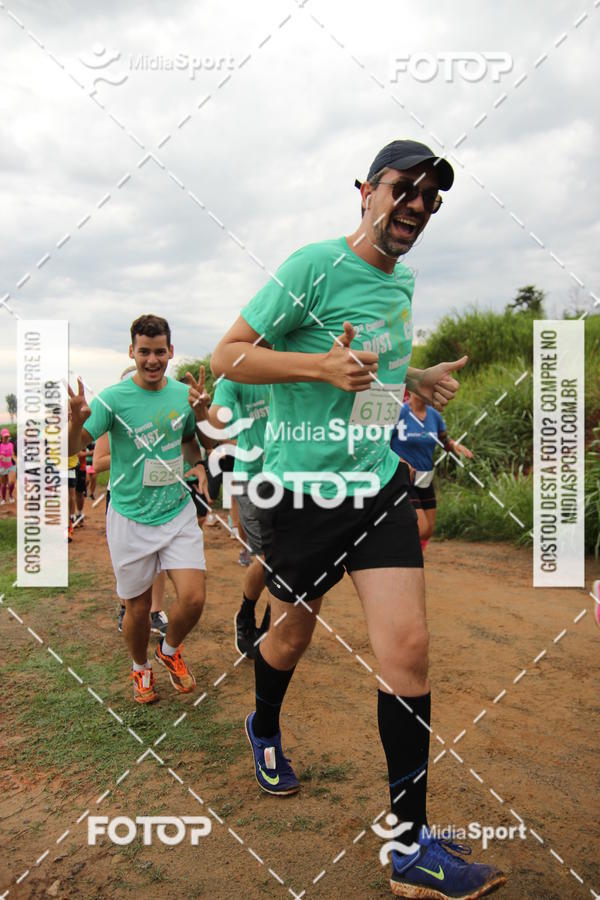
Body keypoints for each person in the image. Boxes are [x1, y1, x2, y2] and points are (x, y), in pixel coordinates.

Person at [211, 140, 506, 898]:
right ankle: (265, 727)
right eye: (404, 189)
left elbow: (369, 371)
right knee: (293, 634)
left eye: (431, 198)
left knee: (408, 648)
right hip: (301, 495)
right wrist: (315, 366)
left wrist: (413, 375)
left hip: (376, 489)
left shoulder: (402, 280)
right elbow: (228, 356)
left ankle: (410, 847)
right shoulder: (311, 265)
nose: (416, 206)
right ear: (367, 191)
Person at [68, 314, 212, 704]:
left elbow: (192, 442)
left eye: (159, 351)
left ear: (171, 352)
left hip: (176, 510)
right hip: (130, 516)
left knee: (194, 598)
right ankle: (139, 667)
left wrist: (198, 452)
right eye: (144, 351)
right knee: (138, 607)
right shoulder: (113, 398)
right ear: (131, 352)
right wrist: (75, 422)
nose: (152, 359)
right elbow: (72, 447)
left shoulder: (183, 395)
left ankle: (168, 651)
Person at [190, 375, 271, 657]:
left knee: (292, 560)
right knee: (268, 557)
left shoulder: (297, 360)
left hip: (294, 476)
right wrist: (201, 411)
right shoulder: (237, 375)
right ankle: (246, 612)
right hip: (252, 477)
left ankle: (274, 623)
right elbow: (213, 434)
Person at [92, 428, 171, 639]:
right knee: (127, 559)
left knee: (159, 551)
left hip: (155, 493)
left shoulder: (156, 415)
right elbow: (97, 463)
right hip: (122, 497)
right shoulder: (113, 411)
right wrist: (133, 455)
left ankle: (155, 612)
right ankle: (125, 609)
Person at [391, 391, 473, 551]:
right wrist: (400, 461)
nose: (427, 392)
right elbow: (381, 442)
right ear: (413, 390)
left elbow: (443, 440)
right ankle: (398, 557)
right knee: (420, 527)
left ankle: (410, 558)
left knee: (428, 531)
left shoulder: (434, 416)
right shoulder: (400, 413)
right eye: (424, 387)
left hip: (425, 478)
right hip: (403, 478)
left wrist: (454, 445)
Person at [0, 428, 16, 505]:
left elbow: (13, 453)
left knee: (12, 482)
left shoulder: (12, 444)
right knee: (3, 483)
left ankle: (10, 495)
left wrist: (15, 459)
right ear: (2, 437)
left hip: (11, 465)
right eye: (5, 436)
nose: (6, 438)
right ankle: (3, 499)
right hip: (2, 466)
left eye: (7, 436)